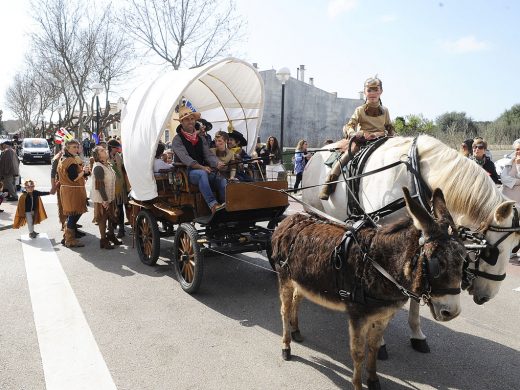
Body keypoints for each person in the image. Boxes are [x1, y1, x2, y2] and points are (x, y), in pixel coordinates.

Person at [319, 76, 395, 200]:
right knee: (344, 159)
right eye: (369, 90)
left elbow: (389, 127)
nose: (372, 93)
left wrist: (393, 136)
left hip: (381, 141)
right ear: (365, 92)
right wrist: (354, 134)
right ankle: (328, 184)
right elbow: (350, 125)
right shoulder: (359, 110)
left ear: (381, 91)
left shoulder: (385, 111)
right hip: (362, 142)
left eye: (376, 90)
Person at [172, 104, 226, 214]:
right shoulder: (177, 140)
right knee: (202, 174)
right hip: (186, 173)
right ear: (181, 123)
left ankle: (227, 204)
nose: (190, 121)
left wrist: (217, 163)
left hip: (203, 169)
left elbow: (208, 155)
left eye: (192, 119)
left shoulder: (200, 138)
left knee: (221, 179)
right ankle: (213, 205)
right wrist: (202, 167)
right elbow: (186, 159)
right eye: (186, 119)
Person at [57, 139, 90, 247]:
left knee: (73, 213)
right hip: (72, 190)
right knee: (74, 213)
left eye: (77, 147)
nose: (76, 149)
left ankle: (66, 236)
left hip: (70, 189)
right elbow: (74, 177)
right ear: (67, 148)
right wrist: (83, 172)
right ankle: (70, 240)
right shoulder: (70, 161)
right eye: (73, 147)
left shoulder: (66, 158)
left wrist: (84, 173)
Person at [90, 146, 122, 249]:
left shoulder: (107, 165)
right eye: (102, 150)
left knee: (111, 217)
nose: (105, 151)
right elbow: (100, 186)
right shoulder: (98, 167)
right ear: (98, 155)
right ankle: (103, 240)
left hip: (110, 196)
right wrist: (105, 200)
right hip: (102, 198)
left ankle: (111, 235)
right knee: (102, 218)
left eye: (104, 149)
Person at [107, 139, 129, 238]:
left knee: (120, 208)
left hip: (120, 187)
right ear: (112, 147)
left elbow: (123, 168)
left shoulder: (119, 156)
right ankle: (111, 226)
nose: (118, 149)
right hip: (110, 187)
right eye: (117, 148)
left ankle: (121, 228)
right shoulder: (105, 158)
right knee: (110, 208)